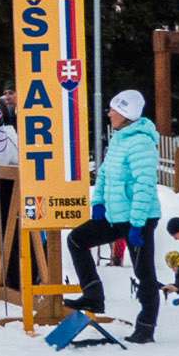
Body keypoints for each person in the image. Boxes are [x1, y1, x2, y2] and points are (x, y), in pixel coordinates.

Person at [66, 89, 162, 343]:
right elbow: (105, 174)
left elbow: (145, 185)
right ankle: (93, 295)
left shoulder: (141, 142)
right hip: (114, 215)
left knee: (144, 273)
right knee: (76, 239)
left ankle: (146, 325)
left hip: (137, 218)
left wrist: (138, 224)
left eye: (113, 109)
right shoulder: (119, 138)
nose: (109, 113)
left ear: (126, 113)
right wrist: (98, 203)